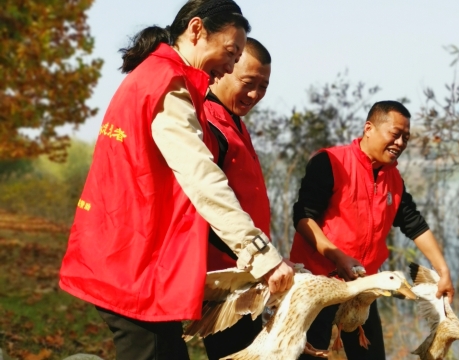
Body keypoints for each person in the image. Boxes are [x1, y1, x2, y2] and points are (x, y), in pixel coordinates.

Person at [58, 1, 294, 359]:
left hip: (132, 258)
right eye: (231, 52)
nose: (231, 65)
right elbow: (201, 177)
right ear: (197, 30)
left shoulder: (154, 76)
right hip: (136, 265)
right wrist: (262, 256)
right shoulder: (169, 85)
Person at [290, 100, 455, 360]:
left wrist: (443, 271)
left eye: (406, 137)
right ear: (369, 128)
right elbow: (303, 219)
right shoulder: (331, 162)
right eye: (395, 134)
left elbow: (415, 225)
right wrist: (337, 257)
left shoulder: (393, 179)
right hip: (317, 284)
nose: (400, 142)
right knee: (309, 356)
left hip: (364, 286)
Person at [201, 37, 273, 360]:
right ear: (225, 70)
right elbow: (206, 200)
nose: (255, 94)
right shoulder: (207, 121)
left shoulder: (235, 123)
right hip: (225, 279)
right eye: (248, 83)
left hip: (250, 273)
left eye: (263, 86)